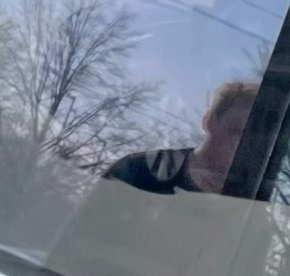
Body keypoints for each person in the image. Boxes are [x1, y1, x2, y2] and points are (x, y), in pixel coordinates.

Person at [105, 77, 261, 199]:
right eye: (238, 132)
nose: (245, 146)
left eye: (255, 141)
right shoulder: (141, 170)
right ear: (209, 121)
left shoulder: (251, 204)